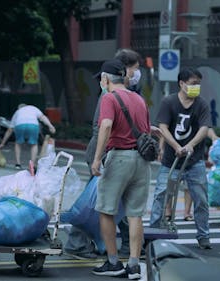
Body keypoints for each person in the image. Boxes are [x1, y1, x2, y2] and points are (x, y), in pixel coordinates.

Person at [64, 49, 143, 259]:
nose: (137, 73)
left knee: (117, 202)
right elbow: (102, 127)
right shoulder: (110, 95)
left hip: (114, 154)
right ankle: (77, 242)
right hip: (107, 153)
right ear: (124, 70)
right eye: (135, 68)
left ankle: (125, 246)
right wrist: (101, 157)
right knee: (95, 203)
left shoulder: (127, 95)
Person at [90, 59, 151, 279]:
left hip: (119, 158)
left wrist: (97, 159)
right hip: (141, 161)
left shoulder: (109, 97)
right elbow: (147, 129)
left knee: (106, 210)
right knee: (135, 214)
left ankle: (113, 262)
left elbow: (106, 125)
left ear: (106, 79)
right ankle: (134, 265)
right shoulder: (139, 99)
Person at [149, 68, 212, 250]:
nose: (196, 87)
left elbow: (204, 128)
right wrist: (176, 146)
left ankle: (203, 235)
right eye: (193, 84)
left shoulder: (201, 104)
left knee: (201, 198)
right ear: (182, 84)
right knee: (161, 194)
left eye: (198, 84)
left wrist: (190, 145)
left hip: (195, 160)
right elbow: (162, 126)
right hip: (171, 160)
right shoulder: (169, 102)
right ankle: (154, 232)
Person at [0, 104, 56, 169]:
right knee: (34, 144)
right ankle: (32, 165)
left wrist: (2, 143)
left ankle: (18, 164)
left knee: (18, 143)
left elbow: (10, 130)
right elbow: (43, 117)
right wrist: (50, 126)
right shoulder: (33, 108)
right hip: (33, 125)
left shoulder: (18, 112)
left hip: (20, 125)